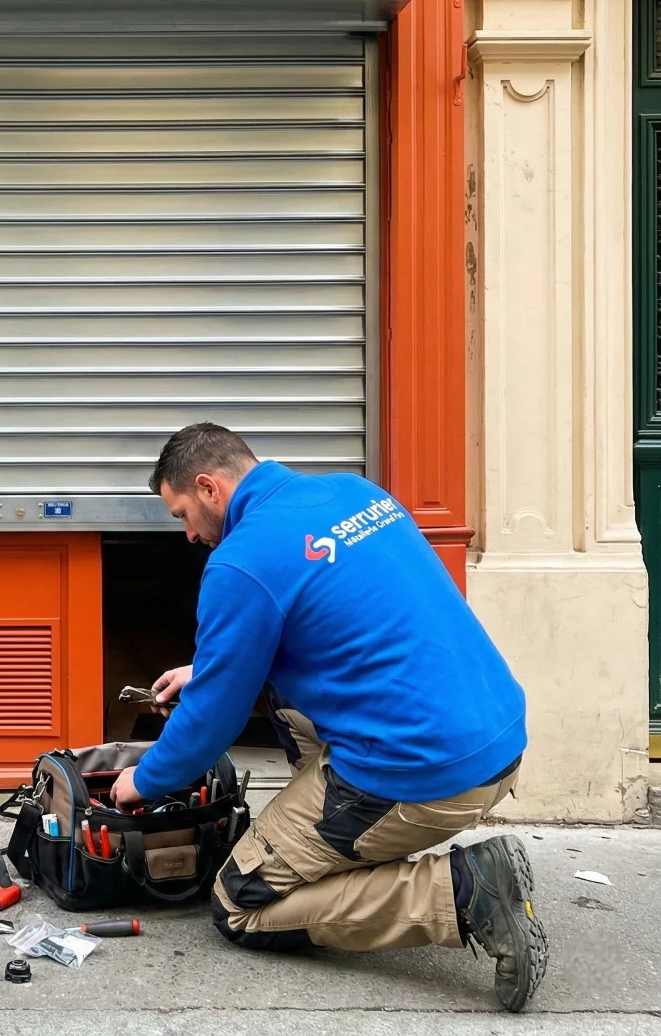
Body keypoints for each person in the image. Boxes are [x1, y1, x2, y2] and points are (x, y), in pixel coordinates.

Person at [109, 423, 547, 1013]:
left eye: (182, 513)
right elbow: (340, 618)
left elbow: (211, 723)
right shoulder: (355, 493)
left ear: (210, 488)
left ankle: (464, 891)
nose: (187, 534)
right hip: (496, 738)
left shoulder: (240, 563)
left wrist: (144, 780)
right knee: (280, 696)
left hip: (423, 771)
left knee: (240, 903)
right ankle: (331, 839)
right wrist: (206, 669)